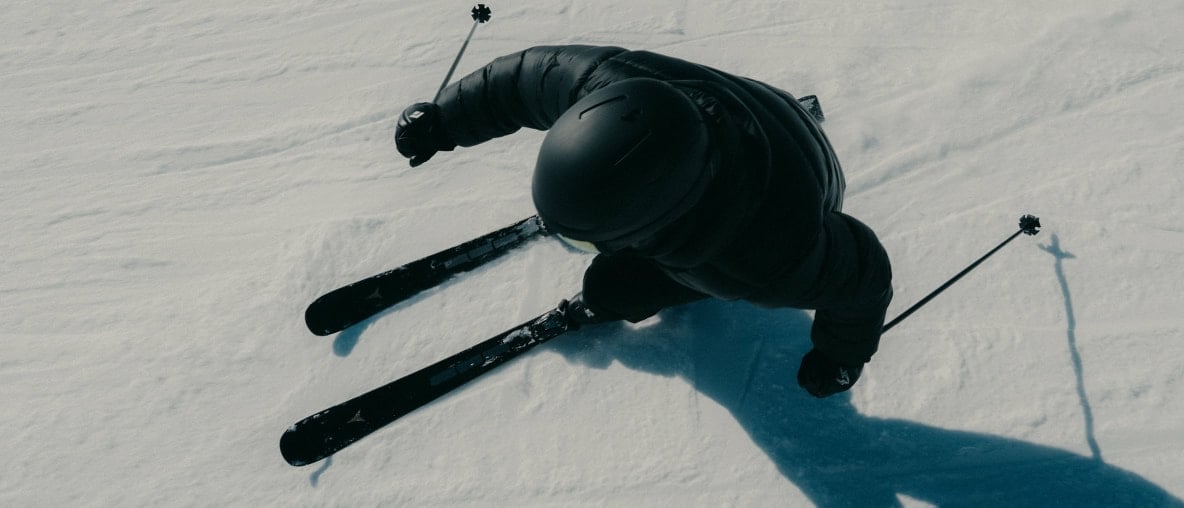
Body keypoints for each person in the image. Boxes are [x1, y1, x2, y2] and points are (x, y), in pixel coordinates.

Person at [394, 45, 892, 398]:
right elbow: (528, 77)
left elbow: (863, 278)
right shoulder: (614, 86)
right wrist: (446, 119)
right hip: (756, 110)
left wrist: (840, 357)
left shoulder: (760, 257)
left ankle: (611, 295)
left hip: (807, 181)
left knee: (619, 285)